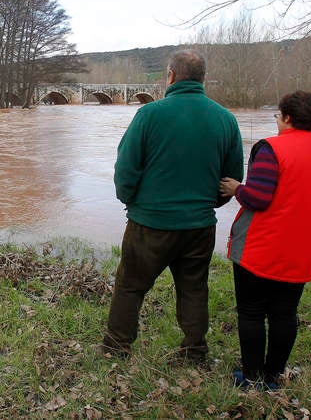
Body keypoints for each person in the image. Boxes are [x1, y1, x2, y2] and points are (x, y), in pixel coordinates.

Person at [102, 49, 244, 361]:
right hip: (199, 225)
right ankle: (194, 351)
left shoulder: (149, 115)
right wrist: (211, 203)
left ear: (170, 76)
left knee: (130, 286)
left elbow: (126, 169)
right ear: (203, 79)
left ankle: (116, 347)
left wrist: (131, 200)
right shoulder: (226, 120)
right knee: (194, 289)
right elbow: (233, 177)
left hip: (149, 224)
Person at [219, 90, 311, 390]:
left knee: (252, 312)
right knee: (285, 314)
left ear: (287, 117)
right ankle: (273, 378)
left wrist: (236, 188)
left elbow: (258, 198)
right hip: (302, 252)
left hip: (262, 250)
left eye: (277, 115)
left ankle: (250, 377)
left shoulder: (271, 149)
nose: (276, 121)